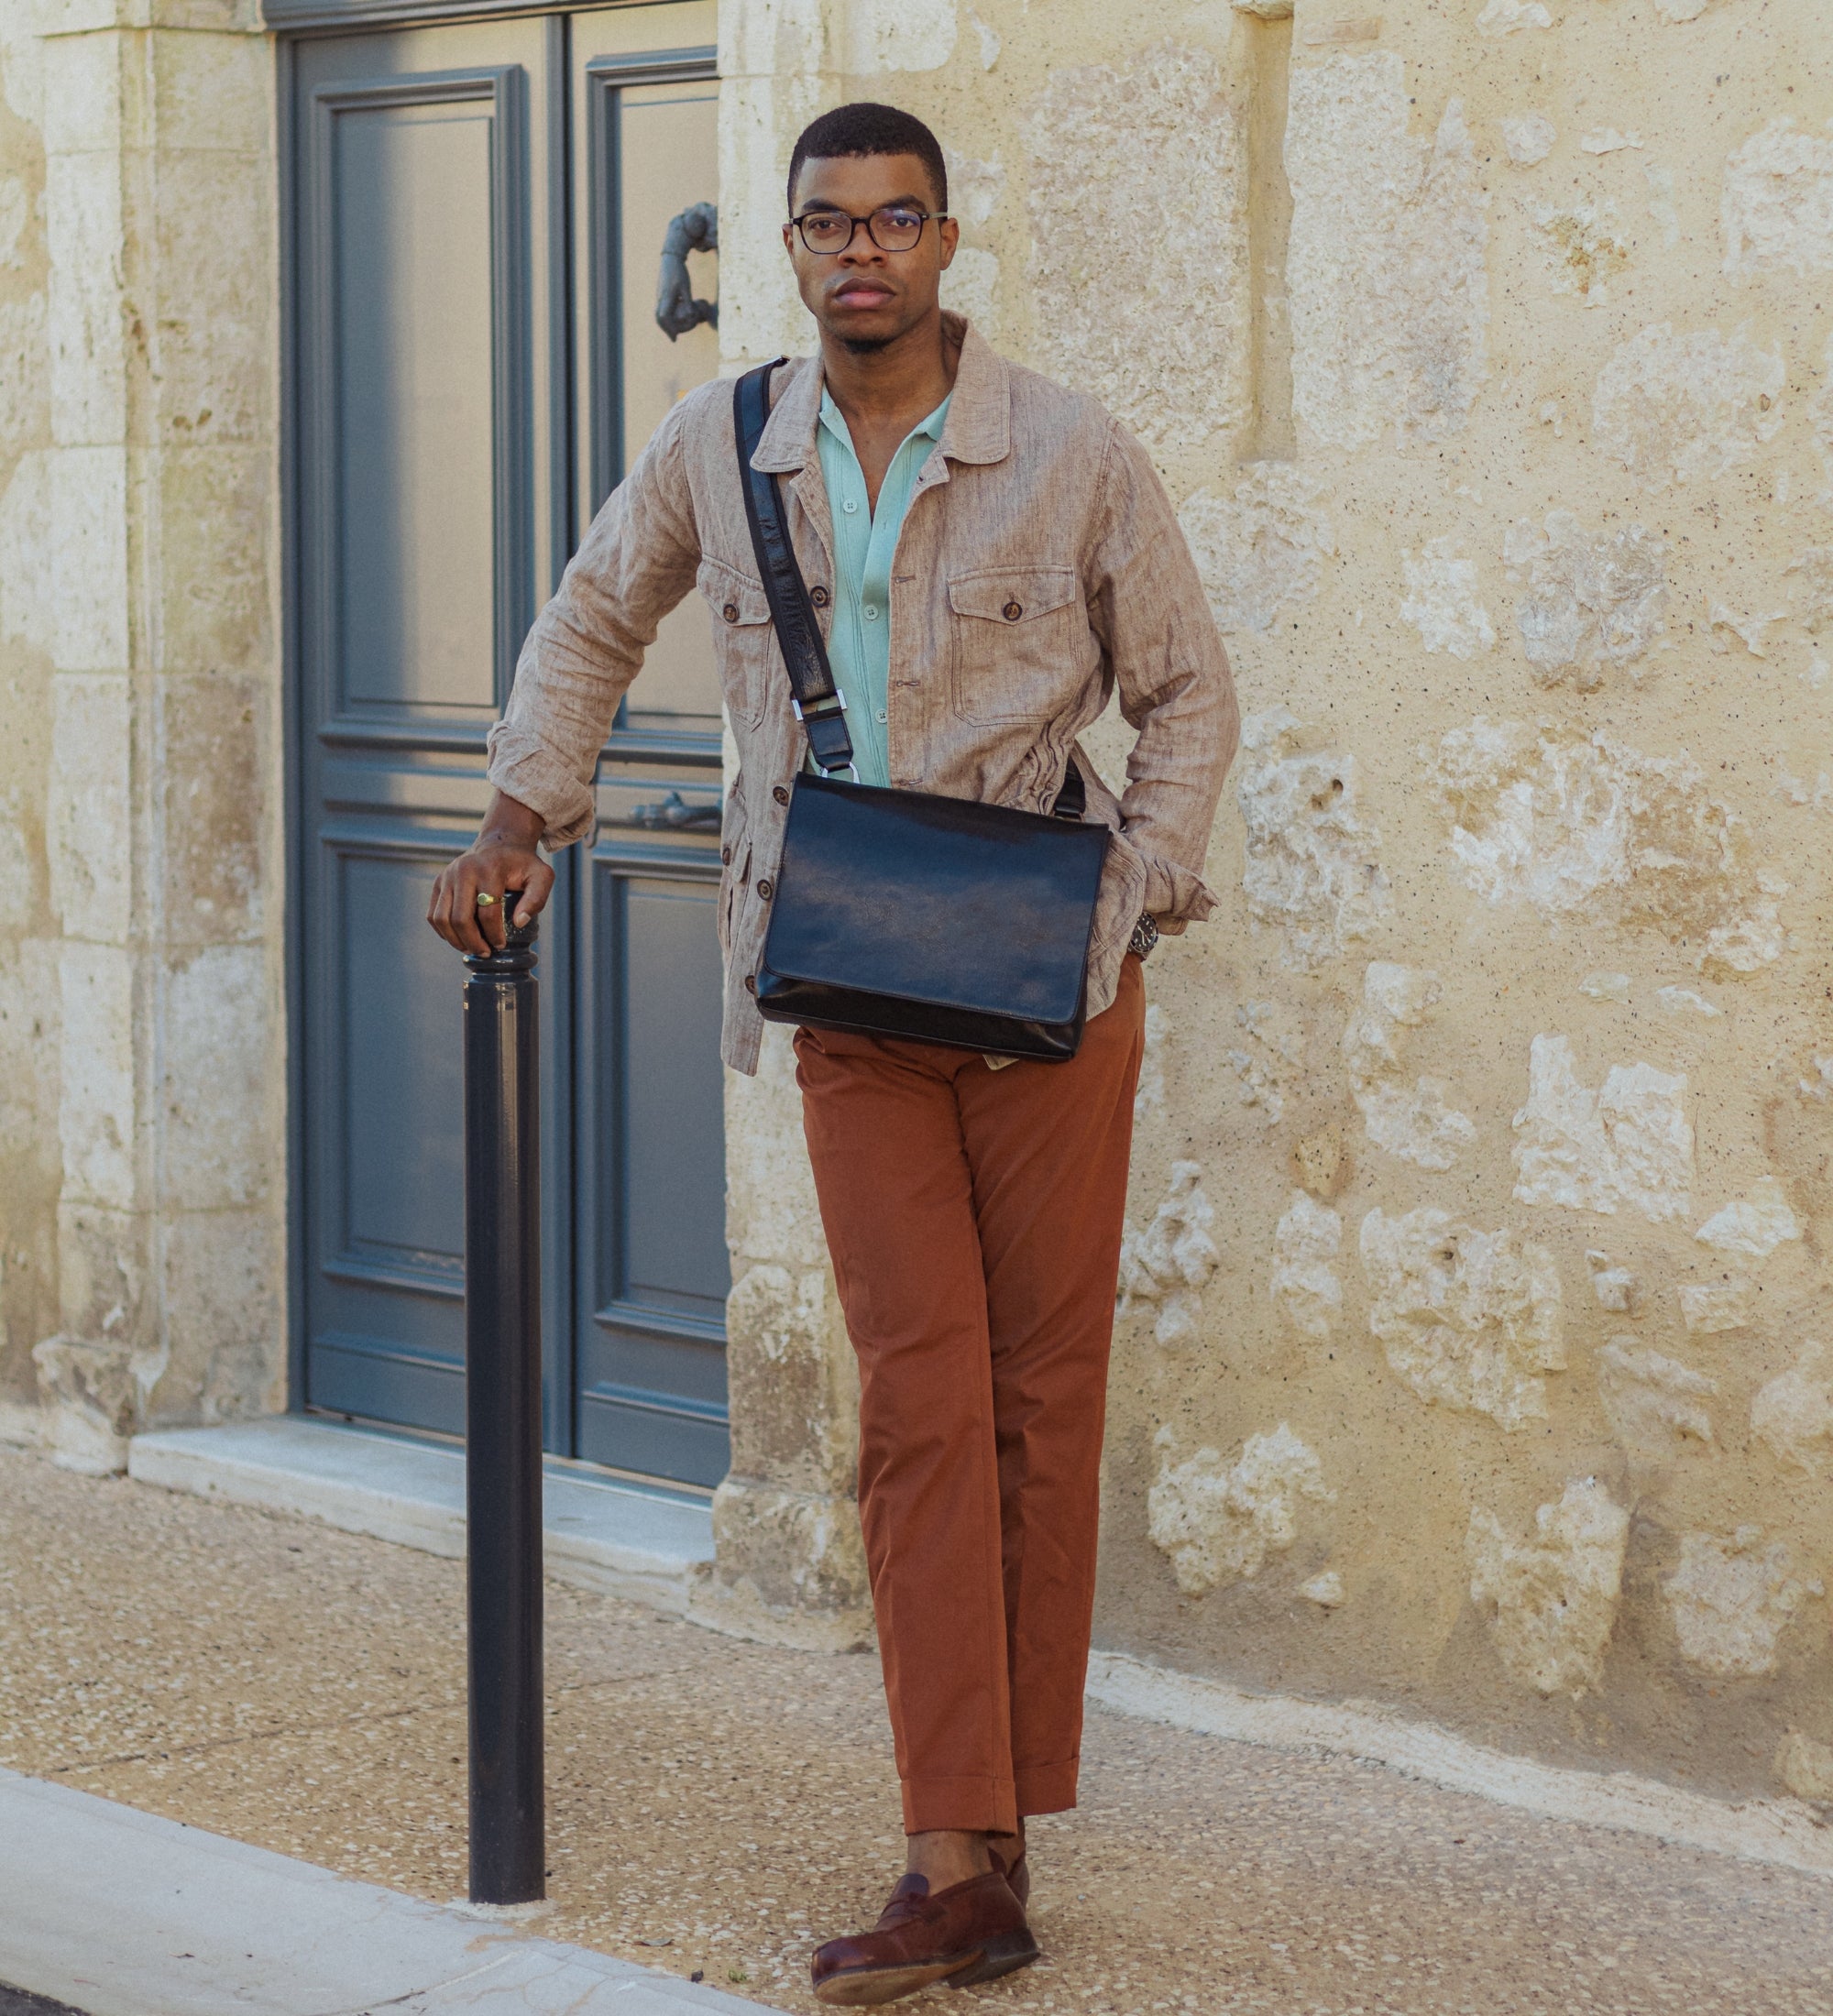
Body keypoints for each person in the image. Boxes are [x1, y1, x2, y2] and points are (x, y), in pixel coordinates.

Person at [428, 100, 1238, 2007]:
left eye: (894, 218)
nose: (859, 248)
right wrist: (516, 820)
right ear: (786, 251)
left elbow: (1187, 684)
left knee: (1043, 1408)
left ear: (949, 238)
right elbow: (588, 615)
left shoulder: (1070, 451)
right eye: (824, 223)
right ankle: (948, 1846)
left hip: (1050, 1002)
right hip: (852, 995)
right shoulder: (720, 443)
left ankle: (1001, 1836)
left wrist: (1135, 892)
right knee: (916, 1411)